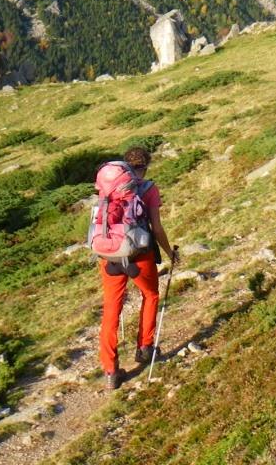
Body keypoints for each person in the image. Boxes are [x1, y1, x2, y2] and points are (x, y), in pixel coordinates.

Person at [99, 146, 177, 390]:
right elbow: (157, 227)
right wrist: (168, 252)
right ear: (146, 166)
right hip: (139, 254)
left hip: (109, 254)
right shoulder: (148, 189)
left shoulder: (108, 187)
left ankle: (110, 371)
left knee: (112, 307)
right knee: (150, 295)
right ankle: (144, 348)